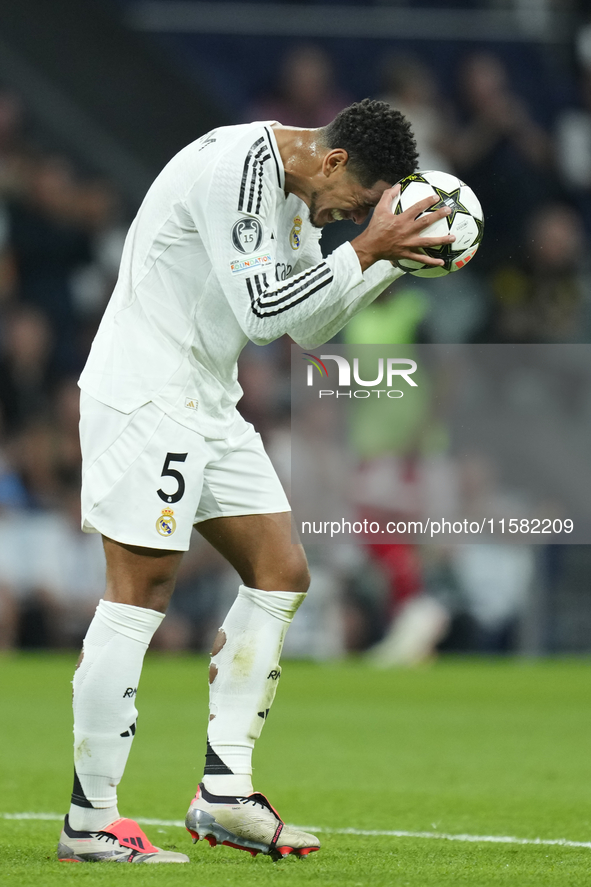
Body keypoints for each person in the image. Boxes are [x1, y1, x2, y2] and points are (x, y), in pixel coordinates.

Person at [56, 98, 455, 864]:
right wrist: (367, 248)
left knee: (280, 571)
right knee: (140, 590)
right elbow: (265, 309)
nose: (347, 218)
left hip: (205, 395)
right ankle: (91, 817)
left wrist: (382, 263)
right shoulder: (239, 169)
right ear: (334, 161)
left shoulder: (304, 193)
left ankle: (225, 792)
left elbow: (310, 326)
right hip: (144, 392)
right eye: (356, 204)